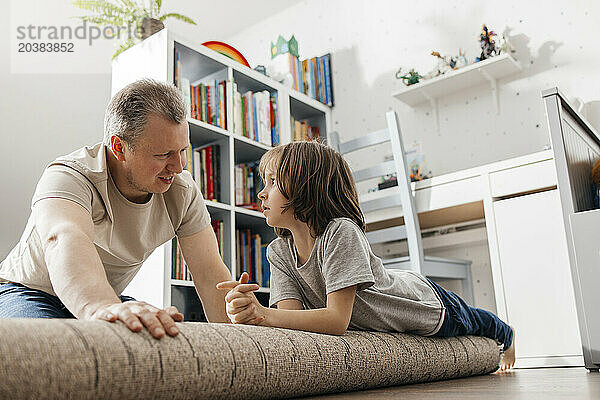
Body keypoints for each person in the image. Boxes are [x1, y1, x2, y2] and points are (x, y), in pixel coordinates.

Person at [217, 141, 516, 371]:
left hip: (423, 302)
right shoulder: (278, 252)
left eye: (273, 183)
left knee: (473, 320)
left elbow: (336, 321)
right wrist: (249, 312)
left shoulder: (340, 233)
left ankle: (507, 332)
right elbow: (293, 321)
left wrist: (263, 314)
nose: (261, 193)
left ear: (307, 188)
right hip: (393, 297)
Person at [0, 79, 232, 339]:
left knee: (161, 343)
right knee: (46, 350)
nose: (178, 166)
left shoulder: (183, 191)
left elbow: (210, 274)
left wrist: (240, 343)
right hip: (32, 291)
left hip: (104, 296)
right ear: (119, 147)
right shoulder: (69, 176)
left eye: (182, 151)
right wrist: (103, 308)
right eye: (163, 155)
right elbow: (64, 238)